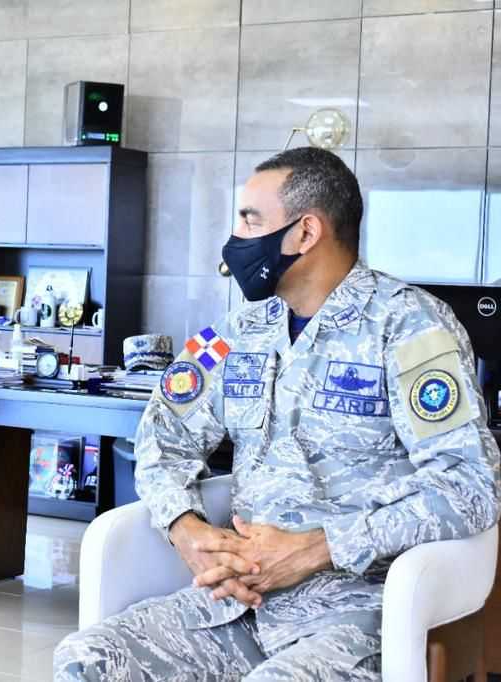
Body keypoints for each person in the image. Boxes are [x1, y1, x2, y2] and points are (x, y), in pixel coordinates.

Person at [54, 147, 501, 681]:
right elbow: (162, 433)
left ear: (305, 232)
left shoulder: (410, 326)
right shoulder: (238, 331)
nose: (235, 238)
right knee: (87, 660)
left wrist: (320, 548)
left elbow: (471, 485)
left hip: (356, 610)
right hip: (236, 602)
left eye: (250, 220)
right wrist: (186, 528)